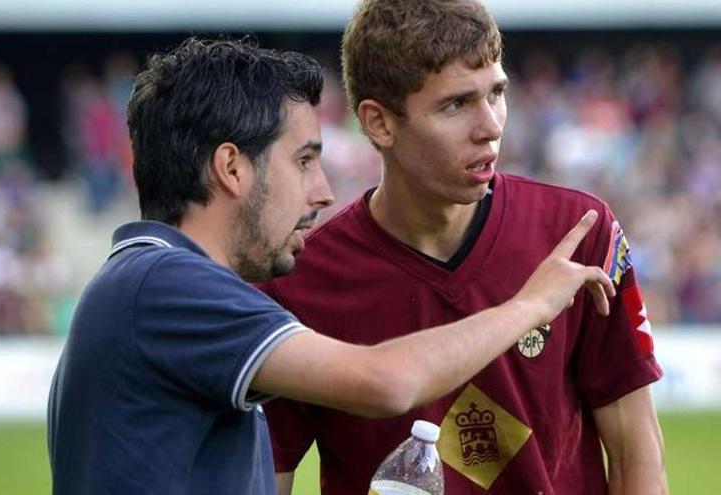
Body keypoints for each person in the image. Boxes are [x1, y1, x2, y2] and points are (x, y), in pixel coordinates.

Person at [46, 38, 616, 495]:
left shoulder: (154, 283)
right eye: (303, 162)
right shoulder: (165, 286)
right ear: (231, 168)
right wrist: (530, 306)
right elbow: (387, 382)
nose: (322, 193)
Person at [259, 1, 668, 494]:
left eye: (496, 93)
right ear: (378, 123)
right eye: (456, 104)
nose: (490, 126)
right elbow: (268, 479)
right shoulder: (299, 280)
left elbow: (636, 452)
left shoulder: (578, 233)